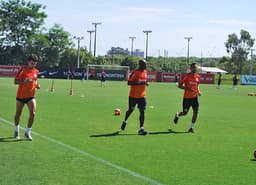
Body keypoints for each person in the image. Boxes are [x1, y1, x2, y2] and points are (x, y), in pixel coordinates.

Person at [14, 54, 40, 141]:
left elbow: (35, 81)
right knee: (18, 114)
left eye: (35, 63)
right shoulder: (22, 70)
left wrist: (37, 85)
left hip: (31, 96)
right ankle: (16, 130)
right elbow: (15, 81)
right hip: (20, 96)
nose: (33, 65)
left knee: (33, 113)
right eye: (32, 63)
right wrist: (24, 82)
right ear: (28, 62)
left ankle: (27, 132)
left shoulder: (36, 71)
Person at [121, 59, 149, 135]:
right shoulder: (135, 72)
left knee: (142, 111)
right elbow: (129, 83)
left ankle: (141, 128)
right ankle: (125, 121)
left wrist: (146, 83)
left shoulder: (145, 72)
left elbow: (144, 81)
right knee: (130, 110)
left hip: (142, 96)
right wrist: (140, 82)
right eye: (144, 64)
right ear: (140, 65)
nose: (146, 66)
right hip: (133, 96)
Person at [173, 63, 201, 133]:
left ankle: (191, 127)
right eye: (193, 68)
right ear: (190, 68)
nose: (194, 69)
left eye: (195, 68)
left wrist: (199, 91)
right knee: (185, 113)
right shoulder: (187, 76)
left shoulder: (198, 76)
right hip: (187, 98)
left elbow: (197, 85)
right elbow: (179, 86)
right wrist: (188, 89)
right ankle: (178, 115)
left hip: (195, 98)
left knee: (196, 112)